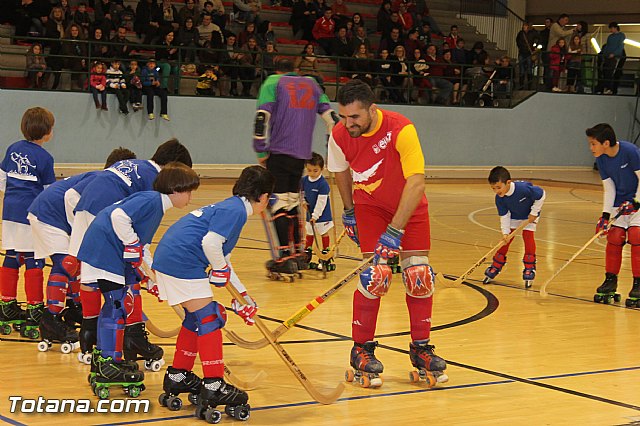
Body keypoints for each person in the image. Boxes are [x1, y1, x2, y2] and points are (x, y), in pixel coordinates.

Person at [327, 80, 447, 387]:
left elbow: (417, 182)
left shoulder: (401, 128)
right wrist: (349, 211)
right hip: (370, 207)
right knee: (376, 275)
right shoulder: (339, 135)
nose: (347, 123)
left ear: (372, 110)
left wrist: (395, 231)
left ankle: (421, 348)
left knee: (419, 276)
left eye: (354, 117)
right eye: (343, 116)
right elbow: (340, 172)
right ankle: (361, 349)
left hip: (409, 205)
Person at [153, 165, 273, 415]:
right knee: (210, 317)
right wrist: (218, 269)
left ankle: (178, 375)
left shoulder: (231, 207)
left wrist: (244, 298)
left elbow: (223, 259)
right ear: (264, 197)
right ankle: (214, 384)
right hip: (181, 261)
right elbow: (211, 244)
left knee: (196, 318)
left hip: (168, 259)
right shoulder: (236, 212)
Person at [77, 162, 199, 395]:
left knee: (117, 305)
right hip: (105, 250)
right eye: (188, 191)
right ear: (175, 190)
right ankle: (109, 362)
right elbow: (118, 216)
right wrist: (132, 243)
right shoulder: (152, 200)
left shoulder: (156, 205)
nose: (190, 198)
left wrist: (153, 277)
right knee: (117, 306)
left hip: (106, 249)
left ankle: (105, 359)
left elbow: (143, 248)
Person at [68, 139, 192, 364]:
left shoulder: (137, 165)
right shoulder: (154, 185)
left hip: (86, 207)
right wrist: (146, 268)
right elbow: (138, 236)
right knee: (126, 275)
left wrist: (150, 273)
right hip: (110, 216)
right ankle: (131, 336)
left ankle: (89, 334)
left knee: (90, 275)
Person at [27, 147, 136, 347]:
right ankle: (50, 320)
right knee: (66, 265)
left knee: (78, 267)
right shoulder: (102, 179)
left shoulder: (106, 183)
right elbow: (70, 197)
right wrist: (79, 230)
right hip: (48, 215)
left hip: (52, 215)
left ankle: (73, 307)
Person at [252, 58, 337, 275]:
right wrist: (332, 150)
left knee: (279, 203)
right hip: (301, 155)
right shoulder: (312, 84)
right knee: (292, 201)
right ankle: (299, 254)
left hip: (279, 152)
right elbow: (332, 119)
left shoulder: (273, 82)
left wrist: (260, 149)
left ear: (277, 70)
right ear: (296, 70)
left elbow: (262, 117)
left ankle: (284, 257)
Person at [0, 107, 56, 339]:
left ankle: (7, 307)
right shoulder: (45, 157)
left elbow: (2, 177)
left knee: (11, 257)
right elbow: (48, 192)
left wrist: (12, 195)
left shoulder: (13, 148)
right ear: (47, 133)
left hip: (10, 213)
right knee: (34, 262)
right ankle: (34, 311)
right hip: (30, 215)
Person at [587, 124, 640, 305]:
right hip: (620, 203)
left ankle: (638, 284)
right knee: (614, 237)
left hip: (638, 200)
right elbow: (609, 189)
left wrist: (636, 202)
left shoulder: (630, 151)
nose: (591, 148)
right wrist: (605, 216)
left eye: (593, 144)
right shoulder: (601, 159)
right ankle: (611, 281)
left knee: (636, 235)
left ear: (606, 142)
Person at [483, 166, 545, 287]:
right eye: (493, 188)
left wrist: (534, 212)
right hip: (513, 217)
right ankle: (496, 265)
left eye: (498, 187)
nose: (496, 191)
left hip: (529, 216)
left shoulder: (523, 189)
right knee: (506, 241)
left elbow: (541, 194)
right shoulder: (499, 199)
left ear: (508, 183)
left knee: (528, 236)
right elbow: (504, 216)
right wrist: (505, 233)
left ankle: (529, 267)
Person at [301, 153, 333, 270]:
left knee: (322, 232)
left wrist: (315, 216)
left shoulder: (323, 184)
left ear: (322, 169)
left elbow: (321, 202)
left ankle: (325, 254)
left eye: (315, 170)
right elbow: (302, 192)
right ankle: (307, 252)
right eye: (309, 170)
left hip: (322, 215)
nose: (312, 173)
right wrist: (303, 201)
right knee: (310, 231)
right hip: (310, 213)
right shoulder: (304, 180)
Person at [600, 22, 626, 95]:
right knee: (606, 71)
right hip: (608, 56)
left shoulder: (621, 36)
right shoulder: (610, 37)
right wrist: (604, 54)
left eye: (611, 28)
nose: (610, 30)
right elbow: (607, 46)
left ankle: (610, 88)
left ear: (615, 28)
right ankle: (606, 87)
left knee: (611, 72)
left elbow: (620, 46)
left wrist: (614, 54)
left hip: (615, 57)